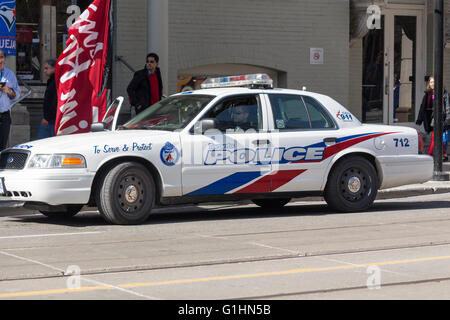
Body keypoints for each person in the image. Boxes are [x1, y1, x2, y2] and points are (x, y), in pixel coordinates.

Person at [0, 49, 21, 152]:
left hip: (4, 115)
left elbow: (16, 95)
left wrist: (8, 90)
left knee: (2, 146)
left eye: (2, 57)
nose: (0, 60)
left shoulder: (10, 74)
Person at [38, 59, 57, 139]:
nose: (45, 71)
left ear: (54, 68)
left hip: (51, 120)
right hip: (50, 118)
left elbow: (55, 101)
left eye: (47, 68)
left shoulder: (56, 82)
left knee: (42, 142)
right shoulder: (51, 81)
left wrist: (47, 118)